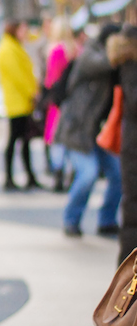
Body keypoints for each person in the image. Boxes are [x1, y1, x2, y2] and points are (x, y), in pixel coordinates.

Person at [55, 23, 122, 238]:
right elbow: (103, 63)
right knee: (87, 174)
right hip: (77, 129)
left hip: (97, 131)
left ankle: (107, 220)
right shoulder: (90, 54)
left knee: (118, 174)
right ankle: (71, 220)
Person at [0, 20, 41, 190]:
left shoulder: (13, 46)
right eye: (23, 29)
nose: (26, 33)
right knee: (15, 139)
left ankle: (29, 175)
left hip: (21, 101)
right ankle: (9, 177)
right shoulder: (8, 49)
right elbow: (19, 76)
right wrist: (32, 92)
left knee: (24, 140)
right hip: (17, 101)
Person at [107, 24, 137, 261]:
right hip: (133, 146)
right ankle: (127, 273)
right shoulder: (130, 66)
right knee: (132, 208)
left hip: (131, 143)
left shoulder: (126, 64)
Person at [42, 16, 78, 192]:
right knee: (69, 136)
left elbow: (51, 78)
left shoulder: (56, 50)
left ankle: (58, 175)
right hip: (73, 99)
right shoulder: (75, 49)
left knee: (57, 138)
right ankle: (71, 174)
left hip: (57, 99)